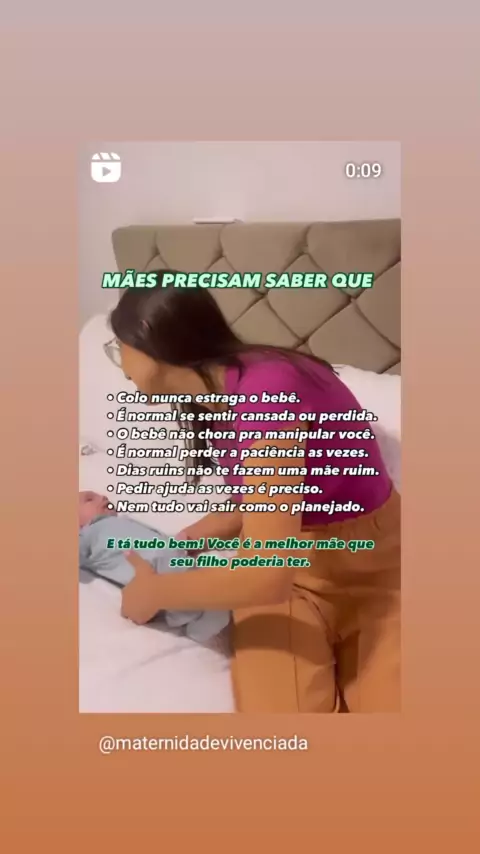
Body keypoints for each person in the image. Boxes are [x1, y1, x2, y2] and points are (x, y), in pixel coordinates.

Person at [104, 270, 401, 713]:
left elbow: (264, 575)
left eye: (119, 345)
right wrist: (200, 533)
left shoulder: (271, 390)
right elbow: (272, 495)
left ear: (149, 336)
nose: (119, 360)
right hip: (295, 572)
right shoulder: (217, 394)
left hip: (376, 569)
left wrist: (155, 592)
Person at [78, 490, 229, 643]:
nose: (103, 497)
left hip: (173, 559)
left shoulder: (121, 521)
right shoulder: (88, 534)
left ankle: (202, 620)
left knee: (215, 596)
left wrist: (175, 543)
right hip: (155, 572)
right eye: (89, 499)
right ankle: (188, 618)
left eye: (101, 496)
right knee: (200, 597)